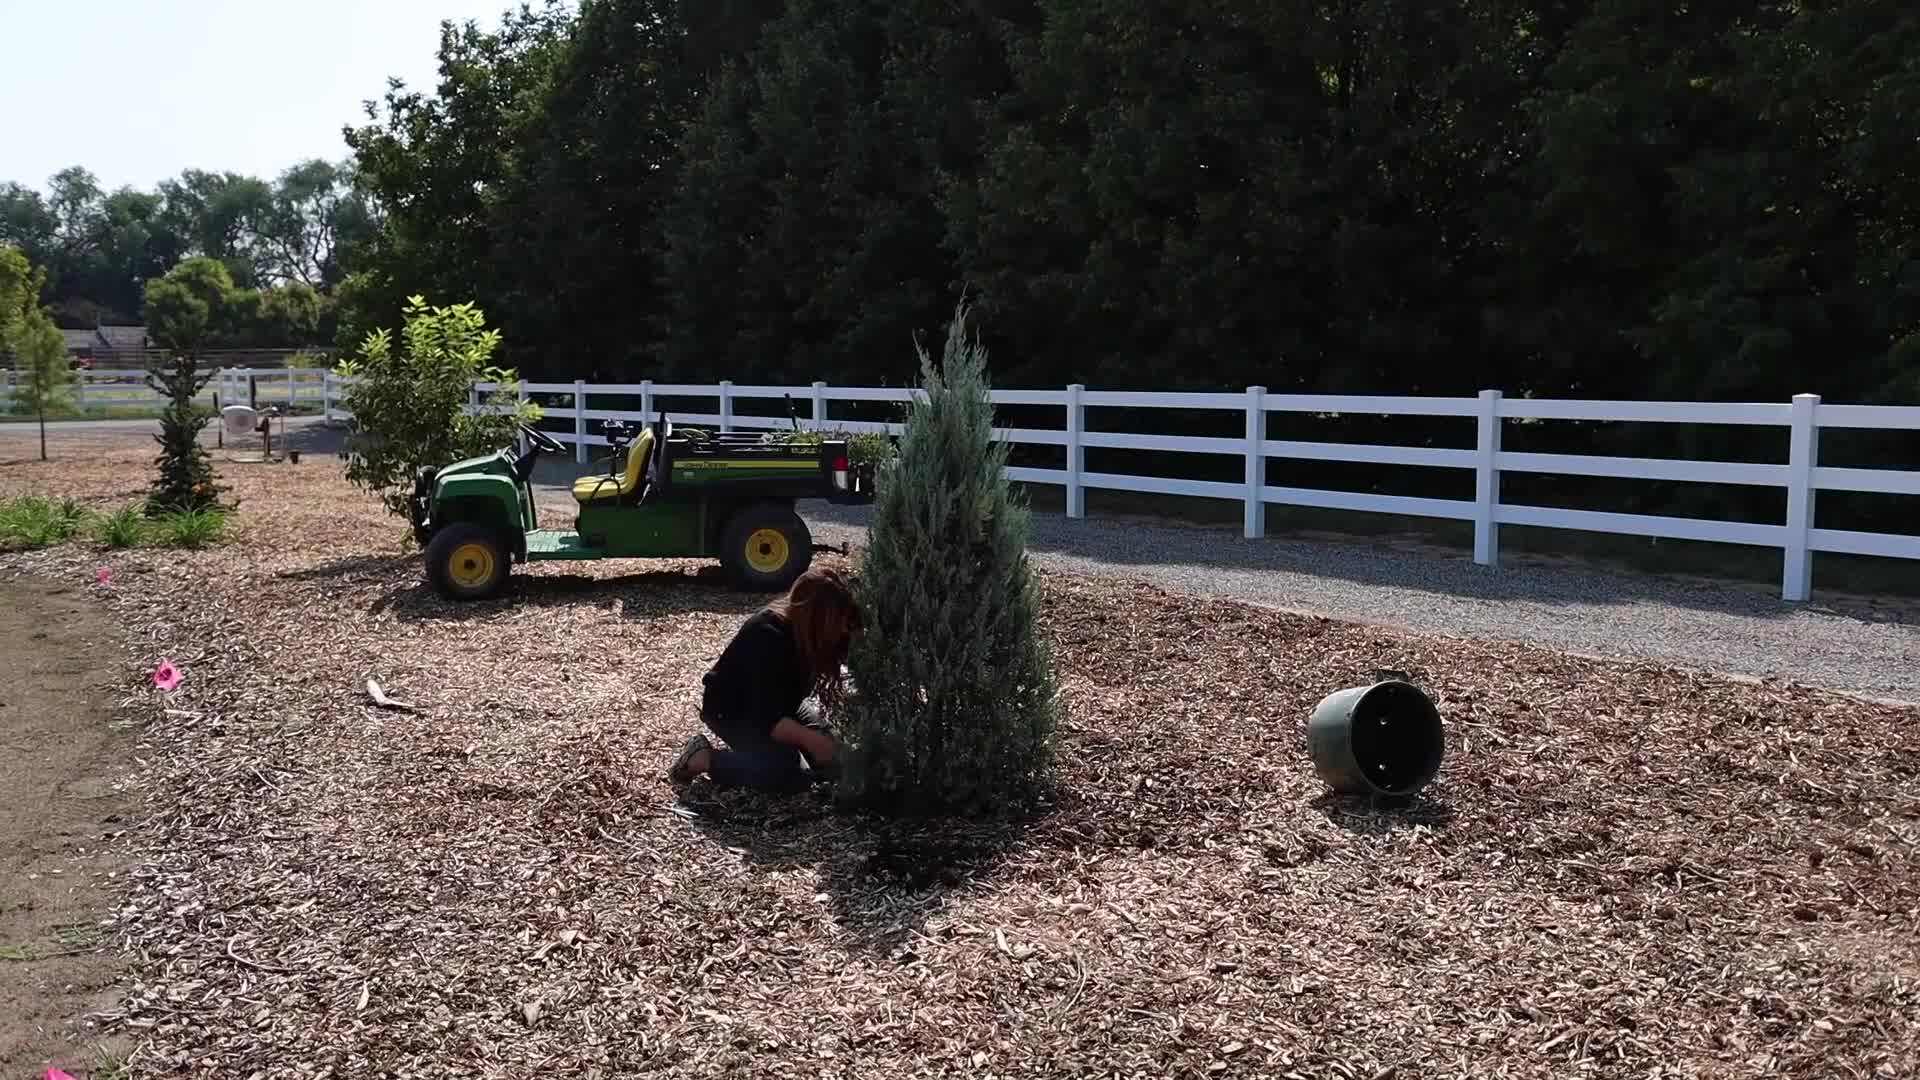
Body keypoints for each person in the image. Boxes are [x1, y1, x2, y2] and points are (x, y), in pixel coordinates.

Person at [667, 566, 861, 792]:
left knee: (833, 753)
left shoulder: (814, 632)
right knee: (783, 770)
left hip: (781, 706)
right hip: (734, 712)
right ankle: (704, 758)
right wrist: (810, 740)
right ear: (816, 618)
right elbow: (765, 719)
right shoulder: (767, 635)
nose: (841, 630)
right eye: (837, 623)